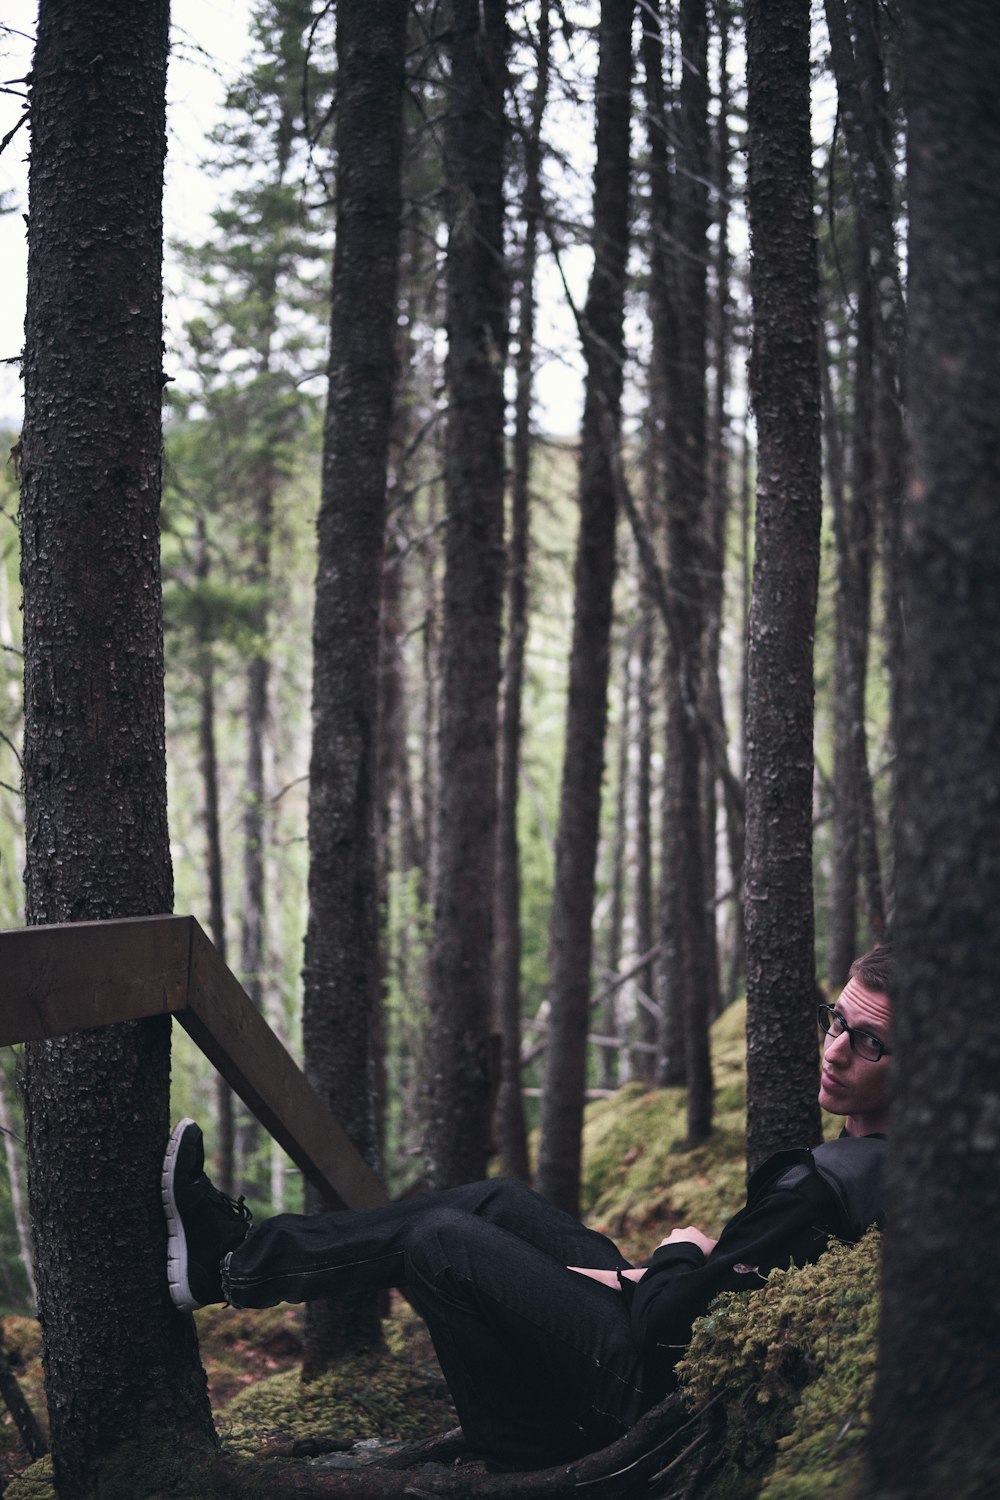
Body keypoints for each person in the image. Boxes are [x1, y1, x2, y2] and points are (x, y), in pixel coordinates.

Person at [162, 943, 894, 1472]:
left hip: (641, 1399)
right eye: (837, 1022)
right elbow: (723, 1295)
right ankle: (235, 1257)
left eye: (869, 1043)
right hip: (671, 1338)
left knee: (442, 1241)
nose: (834, 1050)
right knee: (499, 1199)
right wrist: (670, 1271)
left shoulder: (823, 1187)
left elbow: (674, 1331)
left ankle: (234, 1270)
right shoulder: (888, 1165)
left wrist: (675, 1255)